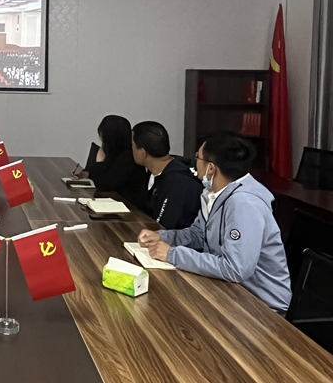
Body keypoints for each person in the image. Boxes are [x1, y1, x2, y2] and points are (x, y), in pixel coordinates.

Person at [137, 132, 291, 312]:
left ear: (211, 168)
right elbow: (197, 234)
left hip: (261, 305)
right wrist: (163, 237)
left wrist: (173, 255)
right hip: (227, 290)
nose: (195, 163)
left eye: (198, 157)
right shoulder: (212, 194)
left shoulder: (244, 204)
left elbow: (235, 269)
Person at [132, 121, 202, 229]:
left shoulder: (178, 182)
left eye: (132, 146)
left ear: (142, 152)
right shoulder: (154, 170)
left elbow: (167, 226)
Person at [76, 115, 148, 210]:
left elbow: (104, 184)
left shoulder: (128, 157)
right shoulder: (116, 151)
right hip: (117, 203)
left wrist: (99, 158)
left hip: (130, 208)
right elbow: (101, 172)